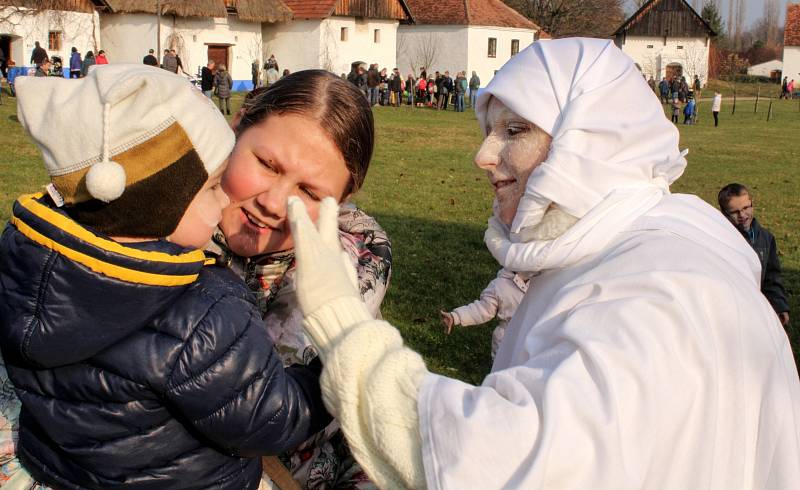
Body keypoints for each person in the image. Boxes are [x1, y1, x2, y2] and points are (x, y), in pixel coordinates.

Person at [282, 38, 800, 489]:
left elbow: (507, 464)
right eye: (490, 129)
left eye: (515, 130)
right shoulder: (618, 250)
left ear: (588, 141)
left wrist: (342, 322)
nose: (483, 156)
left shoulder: (656, 290)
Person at [0, 64, 330, 489]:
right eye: (211, 187)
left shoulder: (30, 262)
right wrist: (331, 372)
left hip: (59, 470)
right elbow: (269, 420)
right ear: (156, 205)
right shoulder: (200, 312)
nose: (225, 196)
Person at [214, 70, 390, 488]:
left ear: (341, 203)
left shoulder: (342, 281)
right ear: (236, 127)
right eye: (266, 164)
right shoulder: (134, 229)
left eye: (310, 194)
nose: (275, 203)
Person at [718, 184, 790, 327]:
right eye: (735, 212)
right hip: (733, 311)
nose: (742, 215)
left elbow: (771, 277)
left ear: (752, 203)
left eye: (746, 208)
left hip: (759, 310)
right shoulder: (721, 240)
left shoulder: (766, 238)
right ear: (724, 213)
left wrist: (779, 306)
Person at [439, 268, 530, 359]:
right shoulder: (499, 286)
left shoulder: (540, 284)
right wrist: (455, 316)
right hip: (507, 339)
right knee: (504, 369)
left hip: (534, 337)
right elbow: (482, 309)